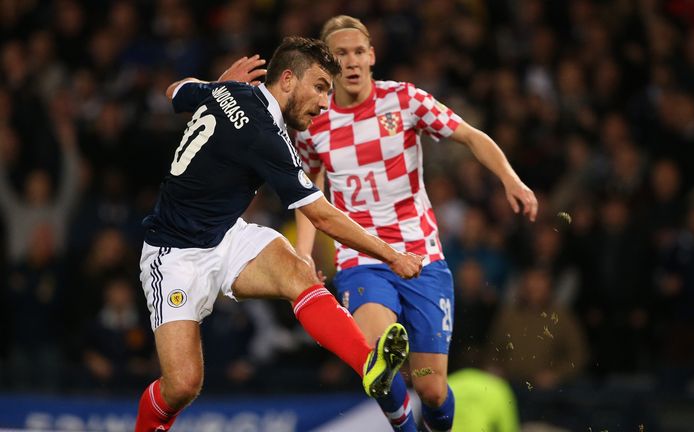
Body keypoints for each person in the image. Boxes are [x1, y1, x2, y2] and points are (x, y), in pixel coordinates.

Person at [134, 37, 424, 431]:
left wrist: (218, 86)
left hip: (224, 234)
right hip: (174, 254)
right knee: (182, 385)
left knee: (298, 272)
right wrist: (391, 255)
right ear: (287, 79)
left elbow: (174, 91)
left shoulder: (234, 92)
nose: (325, 103)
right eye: (320, 87)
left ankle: (368, 363)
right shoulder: (263, 133)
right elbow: (321, 215)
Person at [293, 16, 538, 432]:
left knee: (433, 391)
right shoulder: (315, 119)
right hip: (361, 257)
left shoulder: (404, 100)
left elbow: (471, 135)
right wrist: (302, 252)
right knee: (379, 364)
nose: (351, 61)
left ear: (371, 56)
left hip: (422, 256)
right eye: (340, 54)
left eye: (358, 52)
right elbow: (308, 190)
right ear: (328, 64)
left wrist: (510, 179)